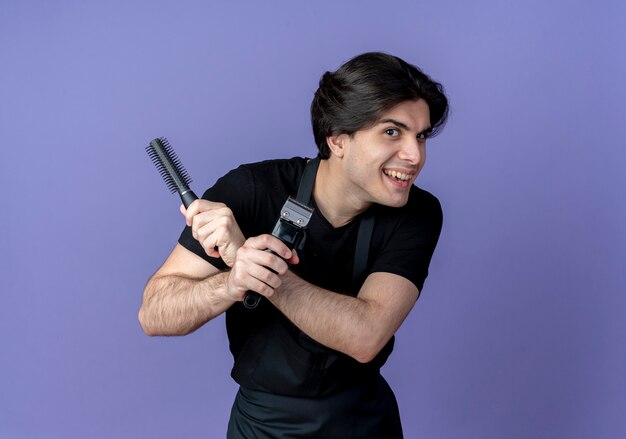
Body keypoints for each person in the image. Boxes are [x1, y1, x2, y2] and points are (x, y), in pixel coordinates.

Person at [139, 52, 449, 438]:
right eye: (392, 132)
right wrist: (232, 282)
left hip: (363, 422)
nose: (414, 155)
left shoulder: (417, 213)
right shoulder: (251, 190)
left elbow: (366, 336)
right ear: (337, 139)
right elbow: (155, 313)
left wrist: (262, 271)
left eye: (420, 136)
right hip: (263, 425)